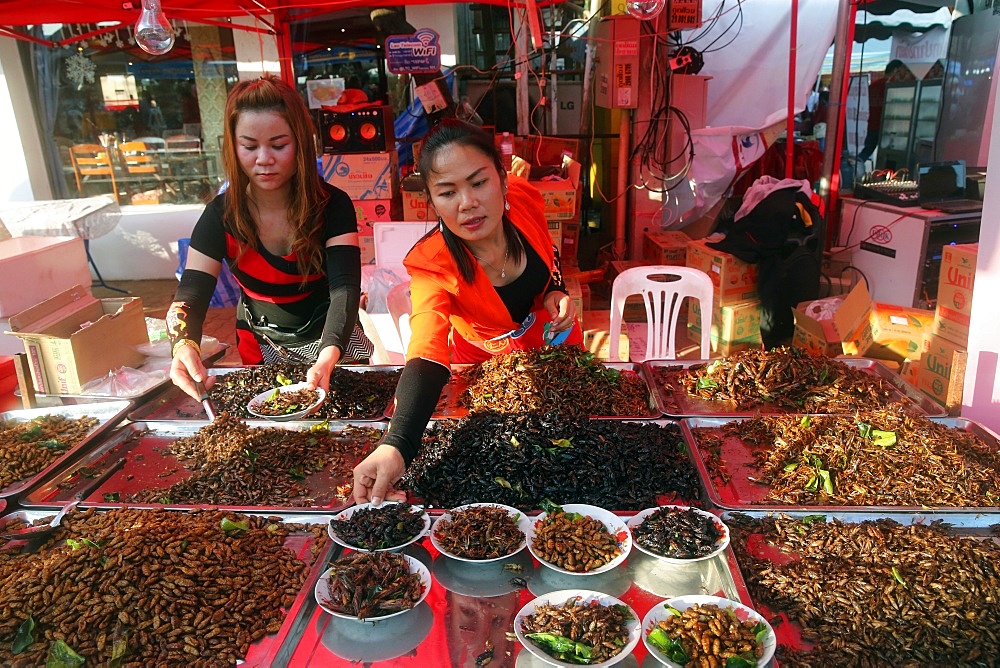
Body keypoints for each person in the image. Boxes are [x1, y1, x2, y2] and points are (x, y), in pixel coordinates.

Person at [352, 119, 582, 506]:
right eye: (447, 192)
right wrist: (398, 444)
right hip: (484, 361)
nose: (467, 203)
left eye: (478, 183)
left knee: (571, 450)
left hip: (552, 342)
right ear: (432, 199)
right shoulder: (431, 265)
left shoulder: (525, 198)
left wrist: (555, 288)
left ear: (503, 180)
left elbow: (550, 249)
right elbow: (425, 354)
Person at [167, 75, 370, 401]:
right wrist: (183, 344)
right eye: (249, 146)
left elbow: (344, 289)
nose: (263, 159)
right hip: (262, 344)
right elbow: (190, 292)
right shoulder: (219, 216)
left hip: (333, 339)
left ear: (301, 142)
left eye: (278, 145)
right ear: (233, 146)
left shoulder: (333, 206)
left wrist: (331, 352)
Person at [858, 60, 907, 166]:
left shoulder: (873, 86)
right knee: (888, 156)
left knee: (867, 151)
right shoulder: (891, 85)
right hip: (887, 127)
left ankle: (854, 168)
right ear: (895, 70)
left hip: (872, 124)